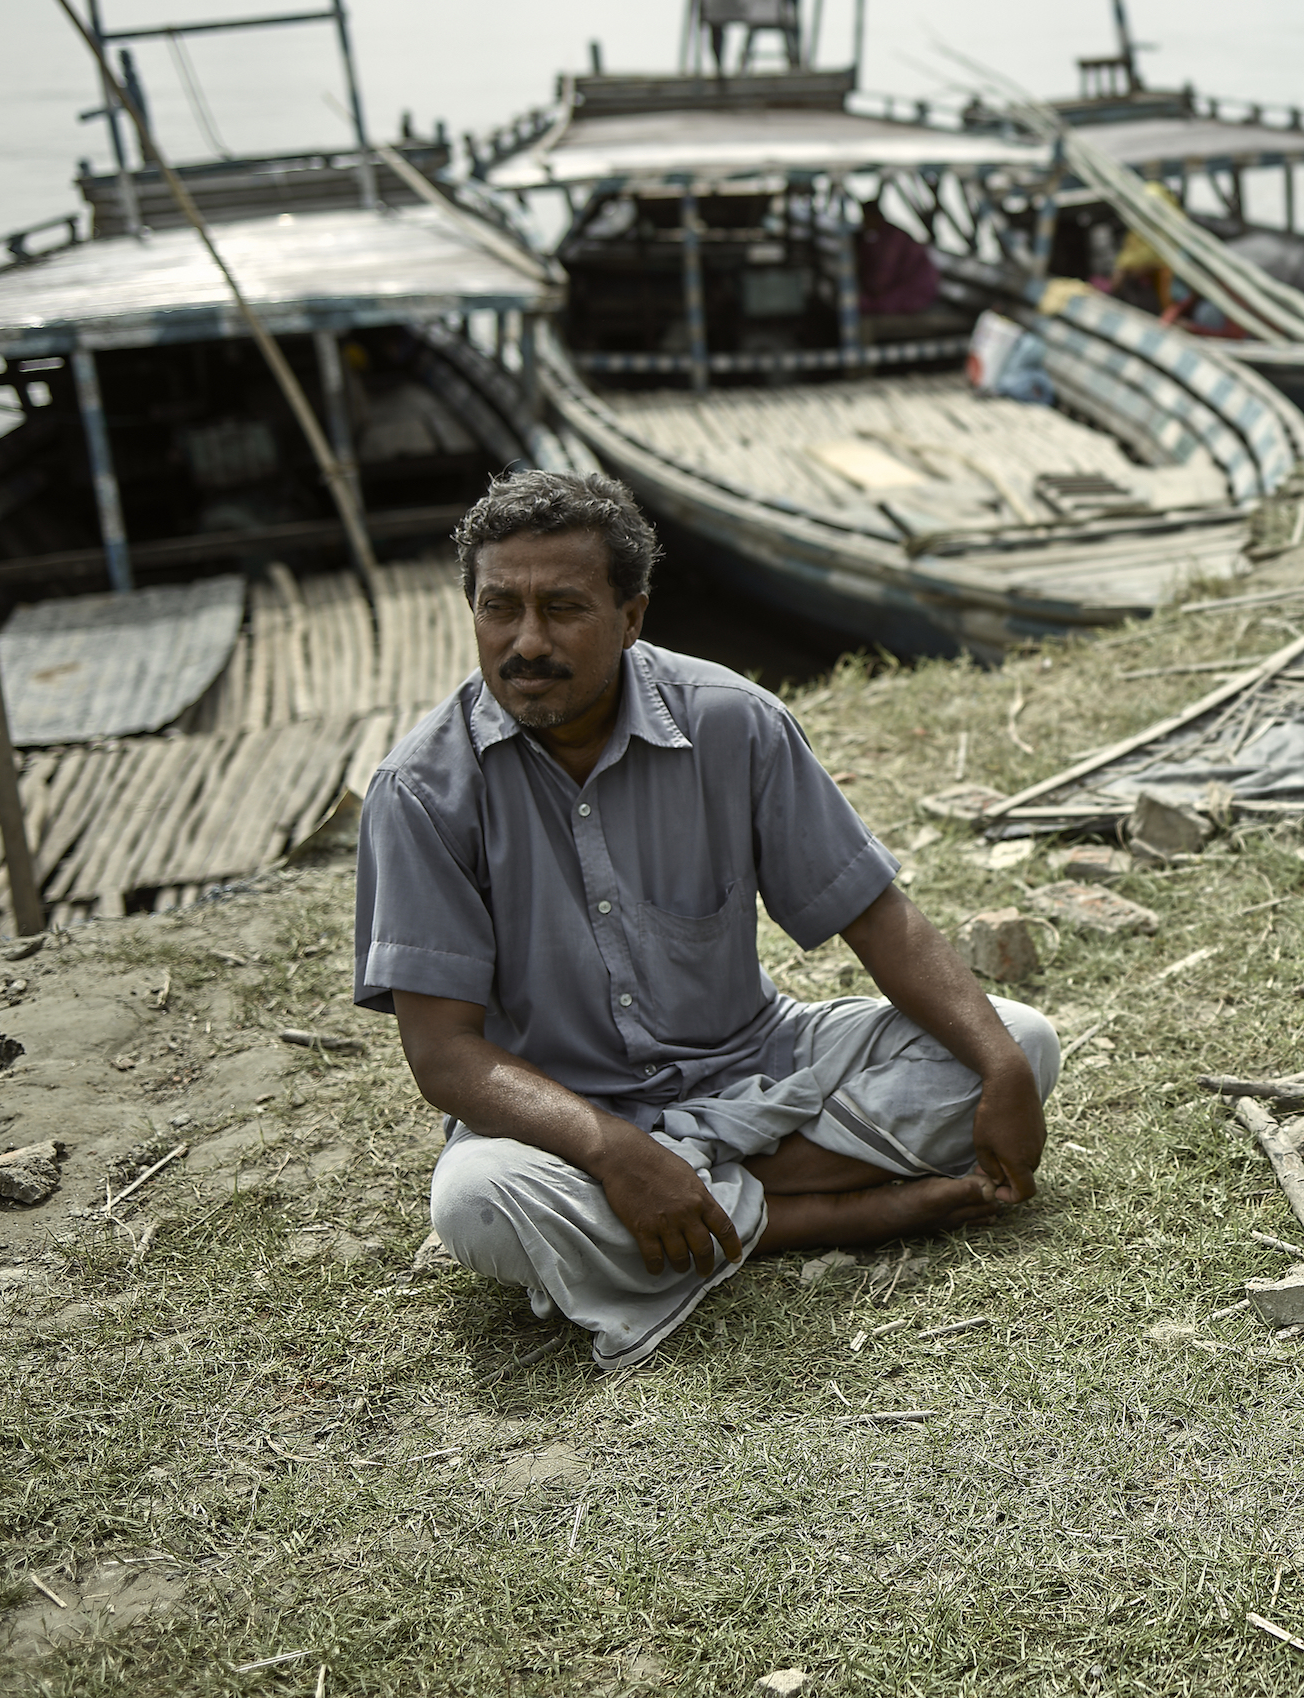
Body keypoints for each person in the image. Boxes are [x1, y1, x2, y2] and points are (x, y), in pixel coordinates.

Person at [353, 469, 1058, 1371]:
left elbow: (877, 917)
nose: (526, 641)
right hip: (566, 1120)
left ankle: (691, 1213)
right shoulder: (418, 789)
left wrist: (997, 1064)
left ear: (632, 616)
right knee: (477, 1204)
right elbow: (444, 1053)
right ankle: (827, 1215)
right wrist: (611, 1149)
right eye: (500, 608)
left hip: (754, 1068)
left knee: (1024, 1042)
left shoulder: (735, 722)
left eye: (564, 607)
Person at [852, 195, 953, 344]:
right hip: (909, 288)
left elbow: (882, 279)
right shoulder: (881, 236)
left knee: (862, 305)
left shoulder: (892, 239)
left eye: (866, 217)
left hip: (917, 292)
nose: (864, 222)